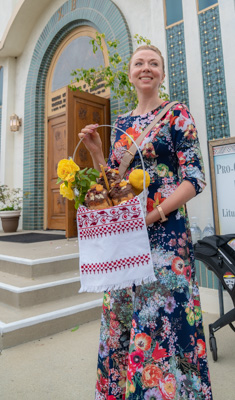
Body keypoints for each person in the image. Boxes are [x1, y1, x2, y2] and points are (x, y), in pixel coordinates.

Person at [79, 45, 213, 400]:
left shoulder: (177, 114)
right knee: (122, 319)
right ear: (130, 74)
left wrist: (153, 215)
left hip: (167, 239)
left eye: (154, 63)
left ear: (162, 74)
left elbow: (195, 178)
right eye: (139, 63)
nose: (146, 68)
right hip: (125, 240)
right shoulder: (121, 124)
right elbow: (112, 187)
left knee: (162, 320)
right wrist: (94, 151)